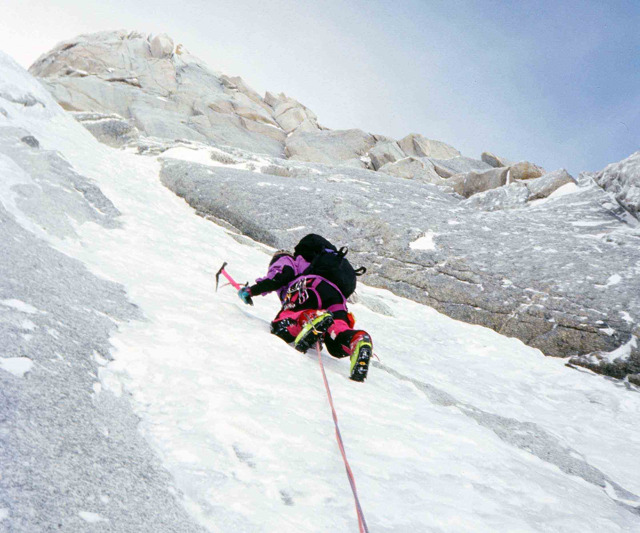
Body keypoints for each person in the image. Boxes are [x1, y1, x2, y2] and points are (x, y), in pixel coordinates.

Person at [237, 234, 373, 382]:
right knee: (337, 335)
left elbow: (279, 277)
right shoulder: (320, 263)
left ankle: (312, 318)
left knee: (283, 322)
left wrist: (251, 291)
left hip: (309, 287)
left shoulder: (287, 260)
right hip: (337, 297)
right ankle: (356, 339)